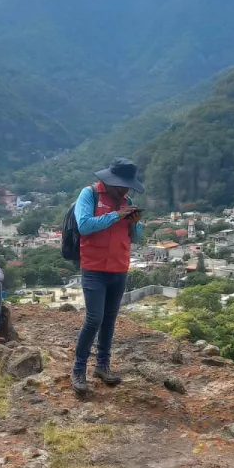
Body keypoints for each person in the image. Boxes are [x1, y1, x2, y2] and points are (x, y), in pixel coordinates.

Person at [71, 157, 144, 395]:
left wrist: (134, 223)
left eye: (128, 186)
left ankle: (102, 366)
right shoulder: (90, 194)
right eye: (122, 184)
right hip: (93, 268)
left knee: (110, 319)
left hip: (119, 268)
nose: (125, 189)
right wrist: (116, 215)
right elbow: (84, 225)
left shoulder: (127, 201)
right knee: (94, 319)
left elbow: (136, 238)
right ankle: (79, 369)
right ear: (110, 181)